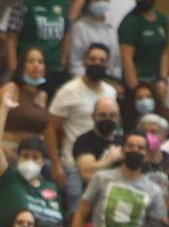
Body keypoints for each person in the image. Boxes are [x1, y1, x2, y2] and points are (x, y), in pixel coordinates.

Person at [70, 131, 164, 227]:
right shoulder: (101, 178)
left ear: (147, 155)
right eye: (131, 146)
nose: (135, 150)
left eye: (140, 148)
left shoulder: (155, 191)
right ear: (122, 150)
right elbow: (79, 215)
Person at [46, 43, 117, 192]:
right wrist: (55, 164)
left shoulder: (111, 92)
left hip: (105, 163)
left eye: (101, 60)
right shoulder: (68, 90)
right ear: (85, 61)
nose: (97, 63)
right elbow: (50, 127)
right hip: (74, 165)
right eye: (93, 59)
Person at [4, 0, 70, 83]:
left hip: (55, 69)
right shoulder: (24, 1)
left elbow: (67, 33)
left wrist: (63, 60)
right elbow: (11, 39)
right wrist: (13, 68)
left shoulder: (63, 2)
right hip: (28, 68)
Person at [68, 0, 119, 79]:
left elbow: (116, 63)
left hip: (110, 82)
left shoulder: (111, 28)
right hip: (85, 81)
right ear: (88, 2)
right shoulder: (80, 28)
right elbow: (75, 63)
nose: (101, 3)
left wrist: (115, 81)